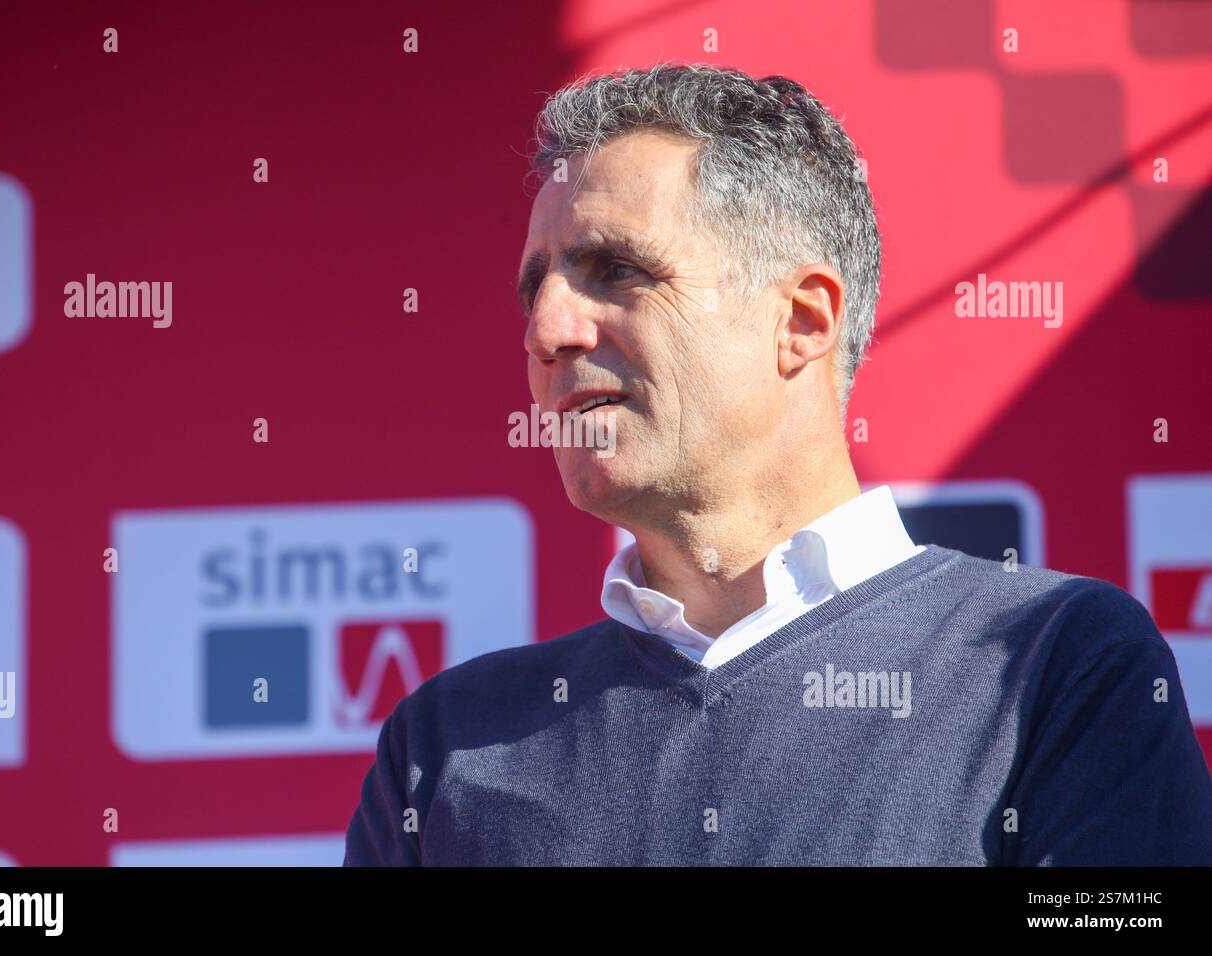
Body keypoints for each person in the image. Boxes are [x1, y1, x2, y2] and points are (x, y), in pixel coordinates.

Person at [345, 63, 1212, 865]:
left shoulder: (1055, 665)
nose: (548, 330)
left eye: (615, 270)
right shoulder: (444, 748)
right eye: (537, 288)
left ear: (801, 320)